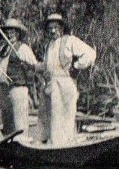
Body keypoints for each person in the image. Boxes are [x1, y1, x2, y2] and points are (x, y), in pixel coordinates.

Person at [35, 13, 96, 145]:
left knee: (63, 117)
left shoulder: (70, 40)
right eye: (50, 28)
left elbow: (90, 53)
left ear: (62, 28)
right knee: (48, 116)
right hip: (51, 84)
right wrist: (33, 66)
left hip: (65, 84)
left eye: (56, 27)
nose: (52, 31)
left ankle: (63, 146)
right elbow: (46, 65)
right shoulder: (49, 46)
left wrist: (76, 65)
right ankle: (49, 144)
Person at [0, 18, 38, 138]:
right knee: (7, 123)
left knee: (20, 124)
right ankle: (9, 147)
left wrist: (32, 92)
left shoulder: (23, 48)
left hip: (17, 89)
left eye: (13, 32)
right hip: (4, 89)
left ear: (18, 33)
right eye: (7, 31)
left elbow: (33, 67)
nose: (10, 34)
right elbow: (1, 68)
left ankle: (22, 143)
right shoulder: (3, 49)